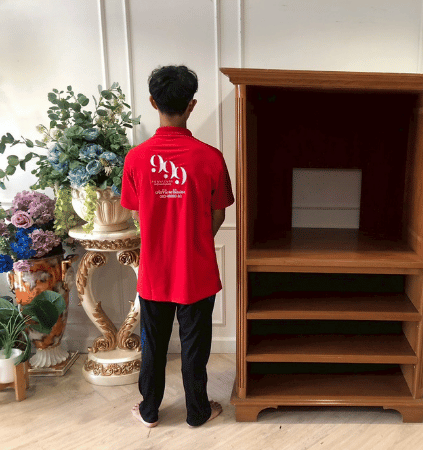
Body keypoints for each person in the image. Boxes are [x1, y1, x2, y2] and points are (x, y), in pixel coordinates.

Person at [121, 65, 234, 428]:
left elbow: (136, 213)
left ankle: (149, 410)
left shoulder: (135, 158)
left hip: (154, 270)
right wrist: (196, 238)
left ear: (153, 102)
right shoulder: (211, 157)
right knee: (194, 346)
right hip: (197, 269)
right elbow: (219, 212)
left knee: (153, 344)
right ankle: (197, 411)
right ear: (192, 105)